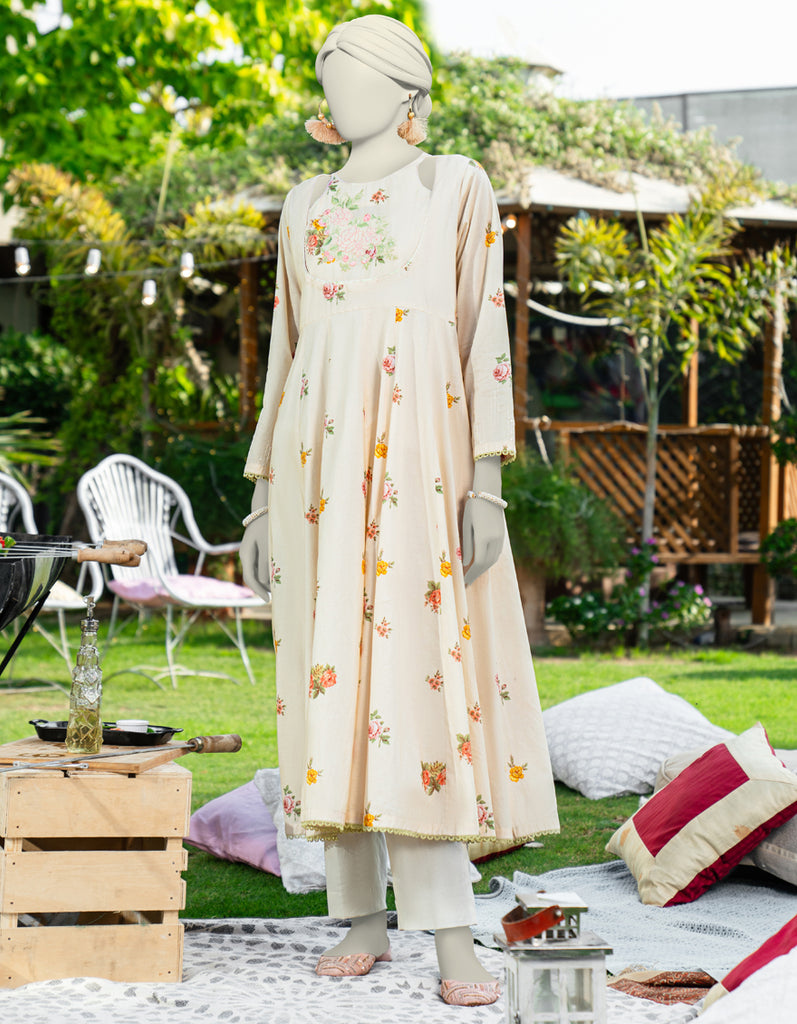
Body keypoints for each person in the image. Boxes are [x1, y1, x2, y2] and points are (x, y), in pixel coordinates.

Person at [240, 14, 559, 1007]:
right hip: (312, 470)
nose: (335, 96)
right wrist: (259, 497)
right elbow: (286, 352)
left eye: (352, 77)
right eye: (327, 78)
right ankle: (362, 916)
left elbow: (482, 337)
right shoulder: (303, 205)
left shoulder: (451, 185)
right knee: (329, 683)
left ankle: (449, 929)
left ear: (403, 91)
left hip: (421, 462)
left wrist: (484, 480)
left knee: (417, 680)